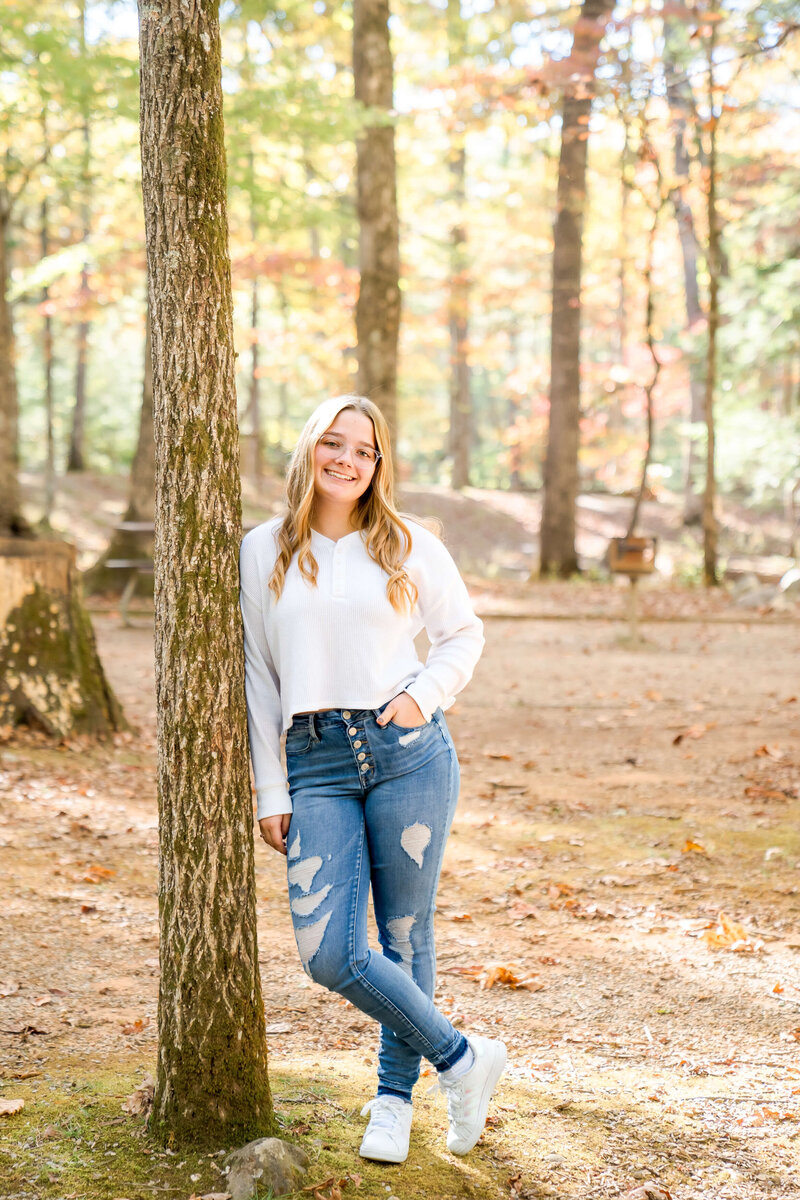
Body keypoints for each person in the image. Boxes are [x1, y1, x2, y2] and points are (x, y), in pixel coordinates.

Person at [239, 394, 506, 1164]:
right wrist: (270, 788)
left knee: (404, 932)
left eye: (364, 450)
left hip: (407, 753)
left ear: (378, 465)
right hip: (314, 759)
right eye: (334, 443)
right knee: (329, 954)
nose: (348, 460)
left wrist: (420, 696)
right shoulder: (263, 551)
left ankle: (394, 1101)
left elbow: (462, 634)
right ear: (309, 449)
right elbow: (259, 677)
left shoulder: (409, 543)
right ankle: (462, 1058)